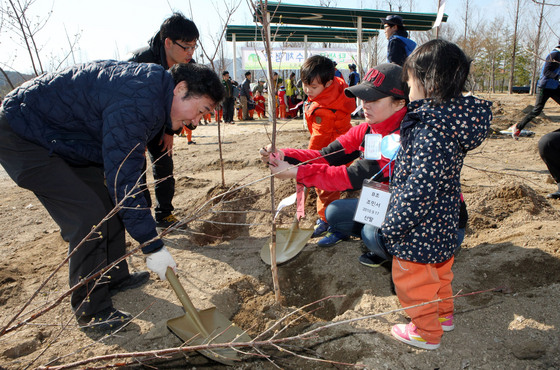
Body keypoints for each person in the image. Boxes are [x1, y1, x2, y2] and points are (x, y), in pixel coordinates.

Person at [0, 61, 224, 332]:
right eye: (200, 112)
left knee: (109, 203)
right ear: (180, 88)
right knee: (89, 217)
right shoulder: (140, 99)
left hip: (65, 138)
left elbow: (127, 168)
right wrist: (151, 244)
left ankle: (115, 275)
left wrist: (143, 226)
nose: (195, 122)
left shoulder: (154, 98)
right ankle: (91, 310)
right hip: (23, 133)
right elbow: (124, 180)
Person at [386, 39, 492, 350]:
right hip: (444, 221)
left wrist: (395, 223)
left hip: (419, 227)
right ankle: (443, 315)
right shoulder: (448, 121)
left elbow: (420, 188)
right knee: (440, 274)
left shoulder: (430, 129)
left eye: (411, 80)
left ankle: (426, 331)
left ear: (429, 81)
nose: (407, 87)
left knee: (413, 281)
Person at [260, 63, 407, 249]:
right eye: (363, 98)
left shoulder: (403, 138)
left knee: (372, 235)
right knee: (335, 213)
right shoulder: (367, 129)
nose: (365, 106)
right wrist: (284, 154)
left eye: (374, 100)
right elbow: (325, 156)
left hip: (414, 212)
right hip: (384, 201)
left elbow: (352, 177)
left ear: (400, 102)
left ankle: (393, 252)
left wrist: (297, 173)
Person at [128, 12, 199, 228]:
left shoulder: (187, 67)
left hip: (161, 125)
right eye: (186, 47)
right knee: (136, 170)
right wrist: (133, 138)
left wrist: (170, 131)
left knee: (164, 166)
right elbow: (127, 104)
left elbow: (180, 103)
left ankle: (164, 213)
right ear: (168, 42)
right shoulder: (139, 62)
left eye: (194, 46)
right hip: (133, 125)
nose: (190, 52)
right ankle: (143, 217)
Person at [299, 55, 356, 237]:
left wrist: (308, 162)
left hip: (333, 150)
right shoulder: (337, 88)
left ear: (328, 83)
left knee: (325, 186)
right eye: (305, 84)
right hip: (343, 145)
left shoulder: (325, 111)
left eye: (313, 87)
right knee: (332, 185)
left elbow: (319, 139)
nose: (307, 90)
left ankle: (327, 220)